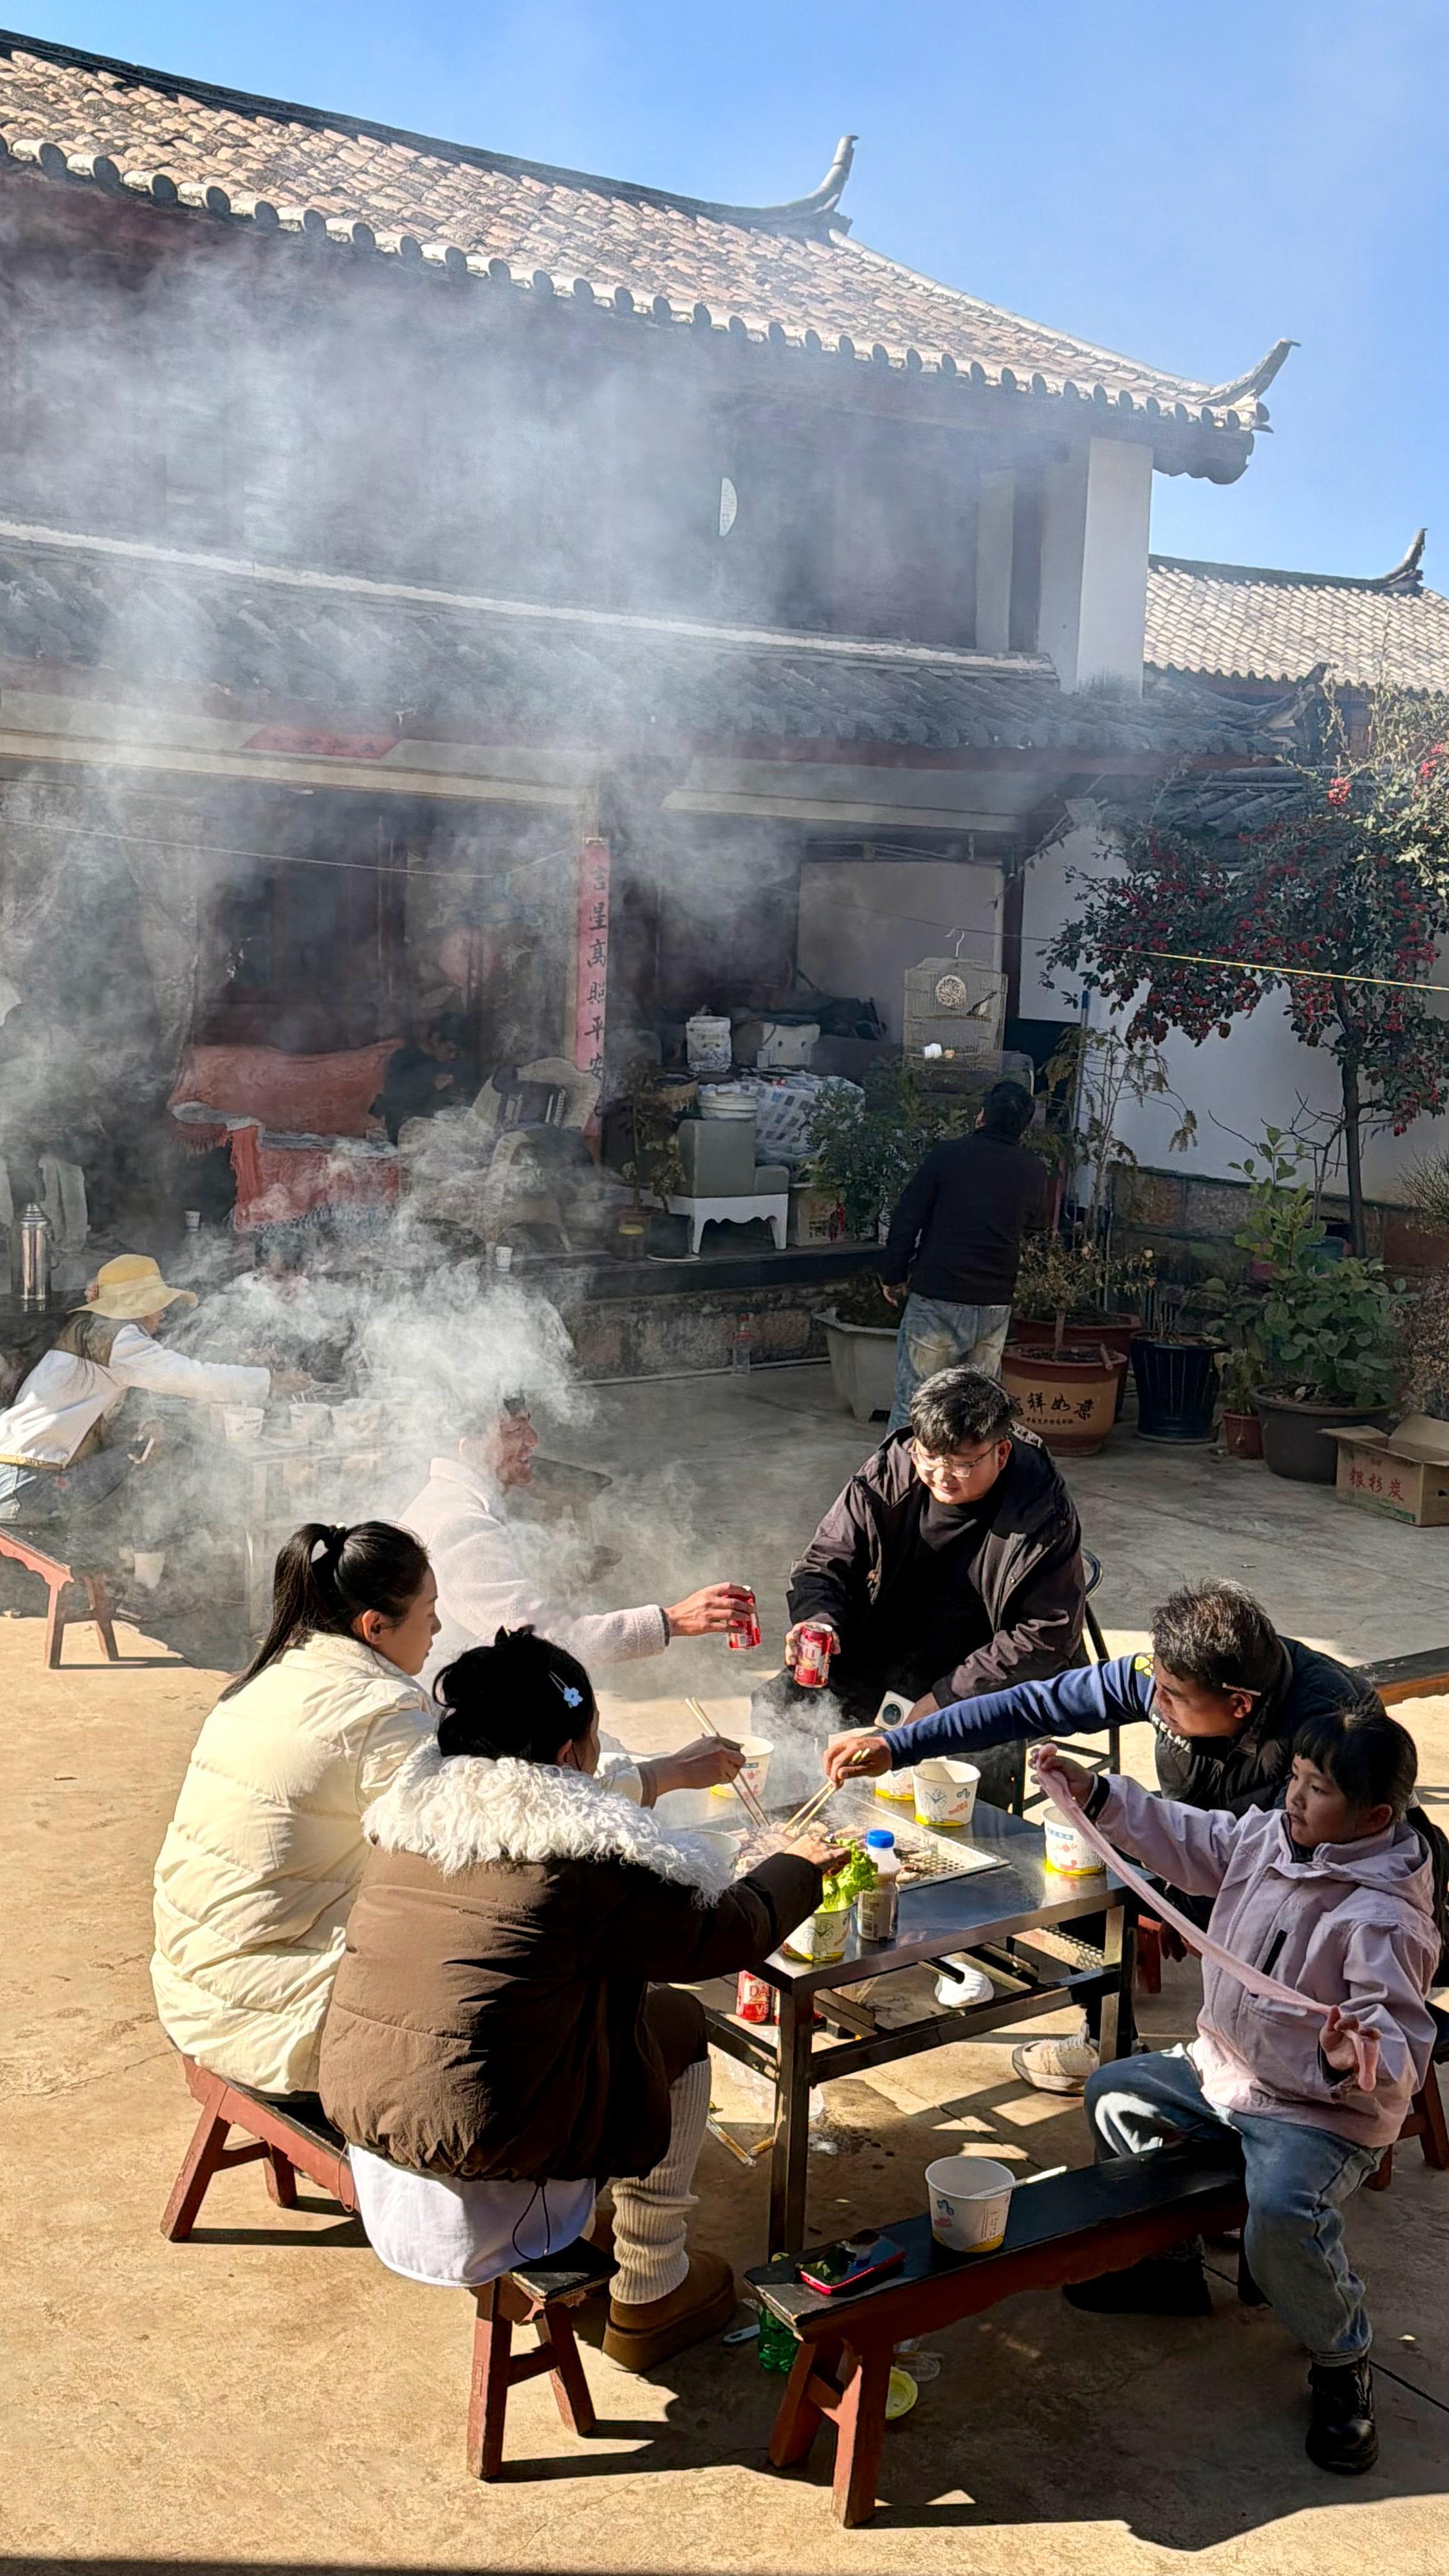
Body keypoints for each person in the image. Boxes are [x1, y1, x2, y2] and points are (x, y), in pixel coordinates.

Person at [319, 1625, 841, 2372]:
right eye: (594, 1737)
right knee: (680, 2022)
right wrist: (797, 1867)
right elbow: (723, 1936)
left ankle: (611, 2241)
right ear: (567, 1754)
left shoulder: (416, 1817)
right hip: (486, 2163)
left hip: (377, 2136)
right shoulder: (582, 1858)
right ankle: (652, 2286)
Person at [1036, 1706, 1439, 2476]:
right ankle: (1168, 2264)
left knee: (1284, 2213)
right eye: (1295, 1777)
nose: (1294, 1797)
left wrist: (1349, 2056)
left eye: (1316, 1789)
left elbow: (1402, 2048)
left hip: (1317, 2112)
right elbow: (1192, 1838)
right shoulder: (1269, 1838)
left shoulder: (1385, 1919)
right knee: (1115, 2096)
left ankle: (1341, 2359)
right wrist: (1099, 1796)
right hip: (1226, 2072)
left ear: (1375, 1816)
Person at [823, 1579, 1398, 2093]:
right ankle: (1105, 2038)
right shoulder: (1170, 1681)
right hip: (1206, 1850)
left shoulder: (1329, 1734)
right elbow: (1031, 1705)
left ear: (1240, 1705)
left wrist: (1181, 1895)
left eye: (1172, 1697)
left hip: (1315, 1900)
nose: (1156, 1702)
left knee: (1122, 1871)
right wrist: (900, 1745)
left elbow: (1291, 1872)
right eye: (1156, 1683)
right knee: (1069, 1860)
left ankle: (1254, 2084)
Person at [151, 1521, 440, 2096]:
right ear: (374, 1627)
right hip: (269, 2023)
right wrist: (646, 1780)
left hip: (191, 1992)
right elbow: (468, 1832)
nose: (437, 1626)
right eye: (429, 1609)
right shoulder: (379, 1713)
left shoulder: (275, 1675)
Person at [402, 1399, 755, 1802]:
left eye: (529, 1427)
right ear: (468, 1446)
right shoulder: (459, 1524)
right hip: (484, 1738)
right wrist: (671, 1620)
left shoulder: (458, 1505)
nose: (533, 1441)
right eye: (514, 1432)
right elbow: (546, 1640)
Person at [784, 1366, 1085, 1811]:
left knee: (976, 1749)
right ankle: (787, 1827)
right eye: (929, 1456)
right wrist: (819, 1621)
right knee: (783, 1703)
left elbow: (1047, 1632)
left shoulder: (1040, 1509)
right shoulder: (892, 1469)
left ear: (1001, 1453)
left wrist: (947, 1697)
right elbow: (825, 1560)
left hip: (982, 1674)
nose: (941, 1475)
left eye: (962, 1464)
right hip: (881, 1649)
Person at [0, 1252, 272, 1535]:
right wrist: (268, 1382)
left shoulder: (87, 1327)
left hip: (10, 1479)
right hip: (29, 1488)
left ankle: (134, 1556)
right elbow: (192, 1377)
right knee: (152, 1454)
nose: (162, 1312)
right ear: (136, 1304)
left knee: (144, 1445)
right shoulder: (116, 1336)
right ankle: (143, 1556)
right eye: (156, 1303)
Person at [878, 1078, 1046, 1430]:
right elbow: (1036, 1225)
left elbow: (907, 1219)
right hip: (994, 1303)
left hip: (939, 1295)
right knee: (979, 1411)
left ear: (981, 1116)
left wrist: (893, 1275)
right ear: (1023, 1128)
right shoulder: (1033, 1170)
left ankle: (900, 1479)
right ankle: (972, 1481)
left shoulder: (948, 1157)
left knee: (916, 1402)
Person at [372, 1013, 472, 1146]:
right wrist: (430, 1085)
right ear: (436, 1039)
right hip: (407, 1131)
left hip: (443, 1128)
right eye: (450, 1050)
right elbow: (394, 1100)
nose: (453, 1056)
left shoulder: (450, 1063)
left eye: (456, 1053)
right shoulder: (404, 1059)